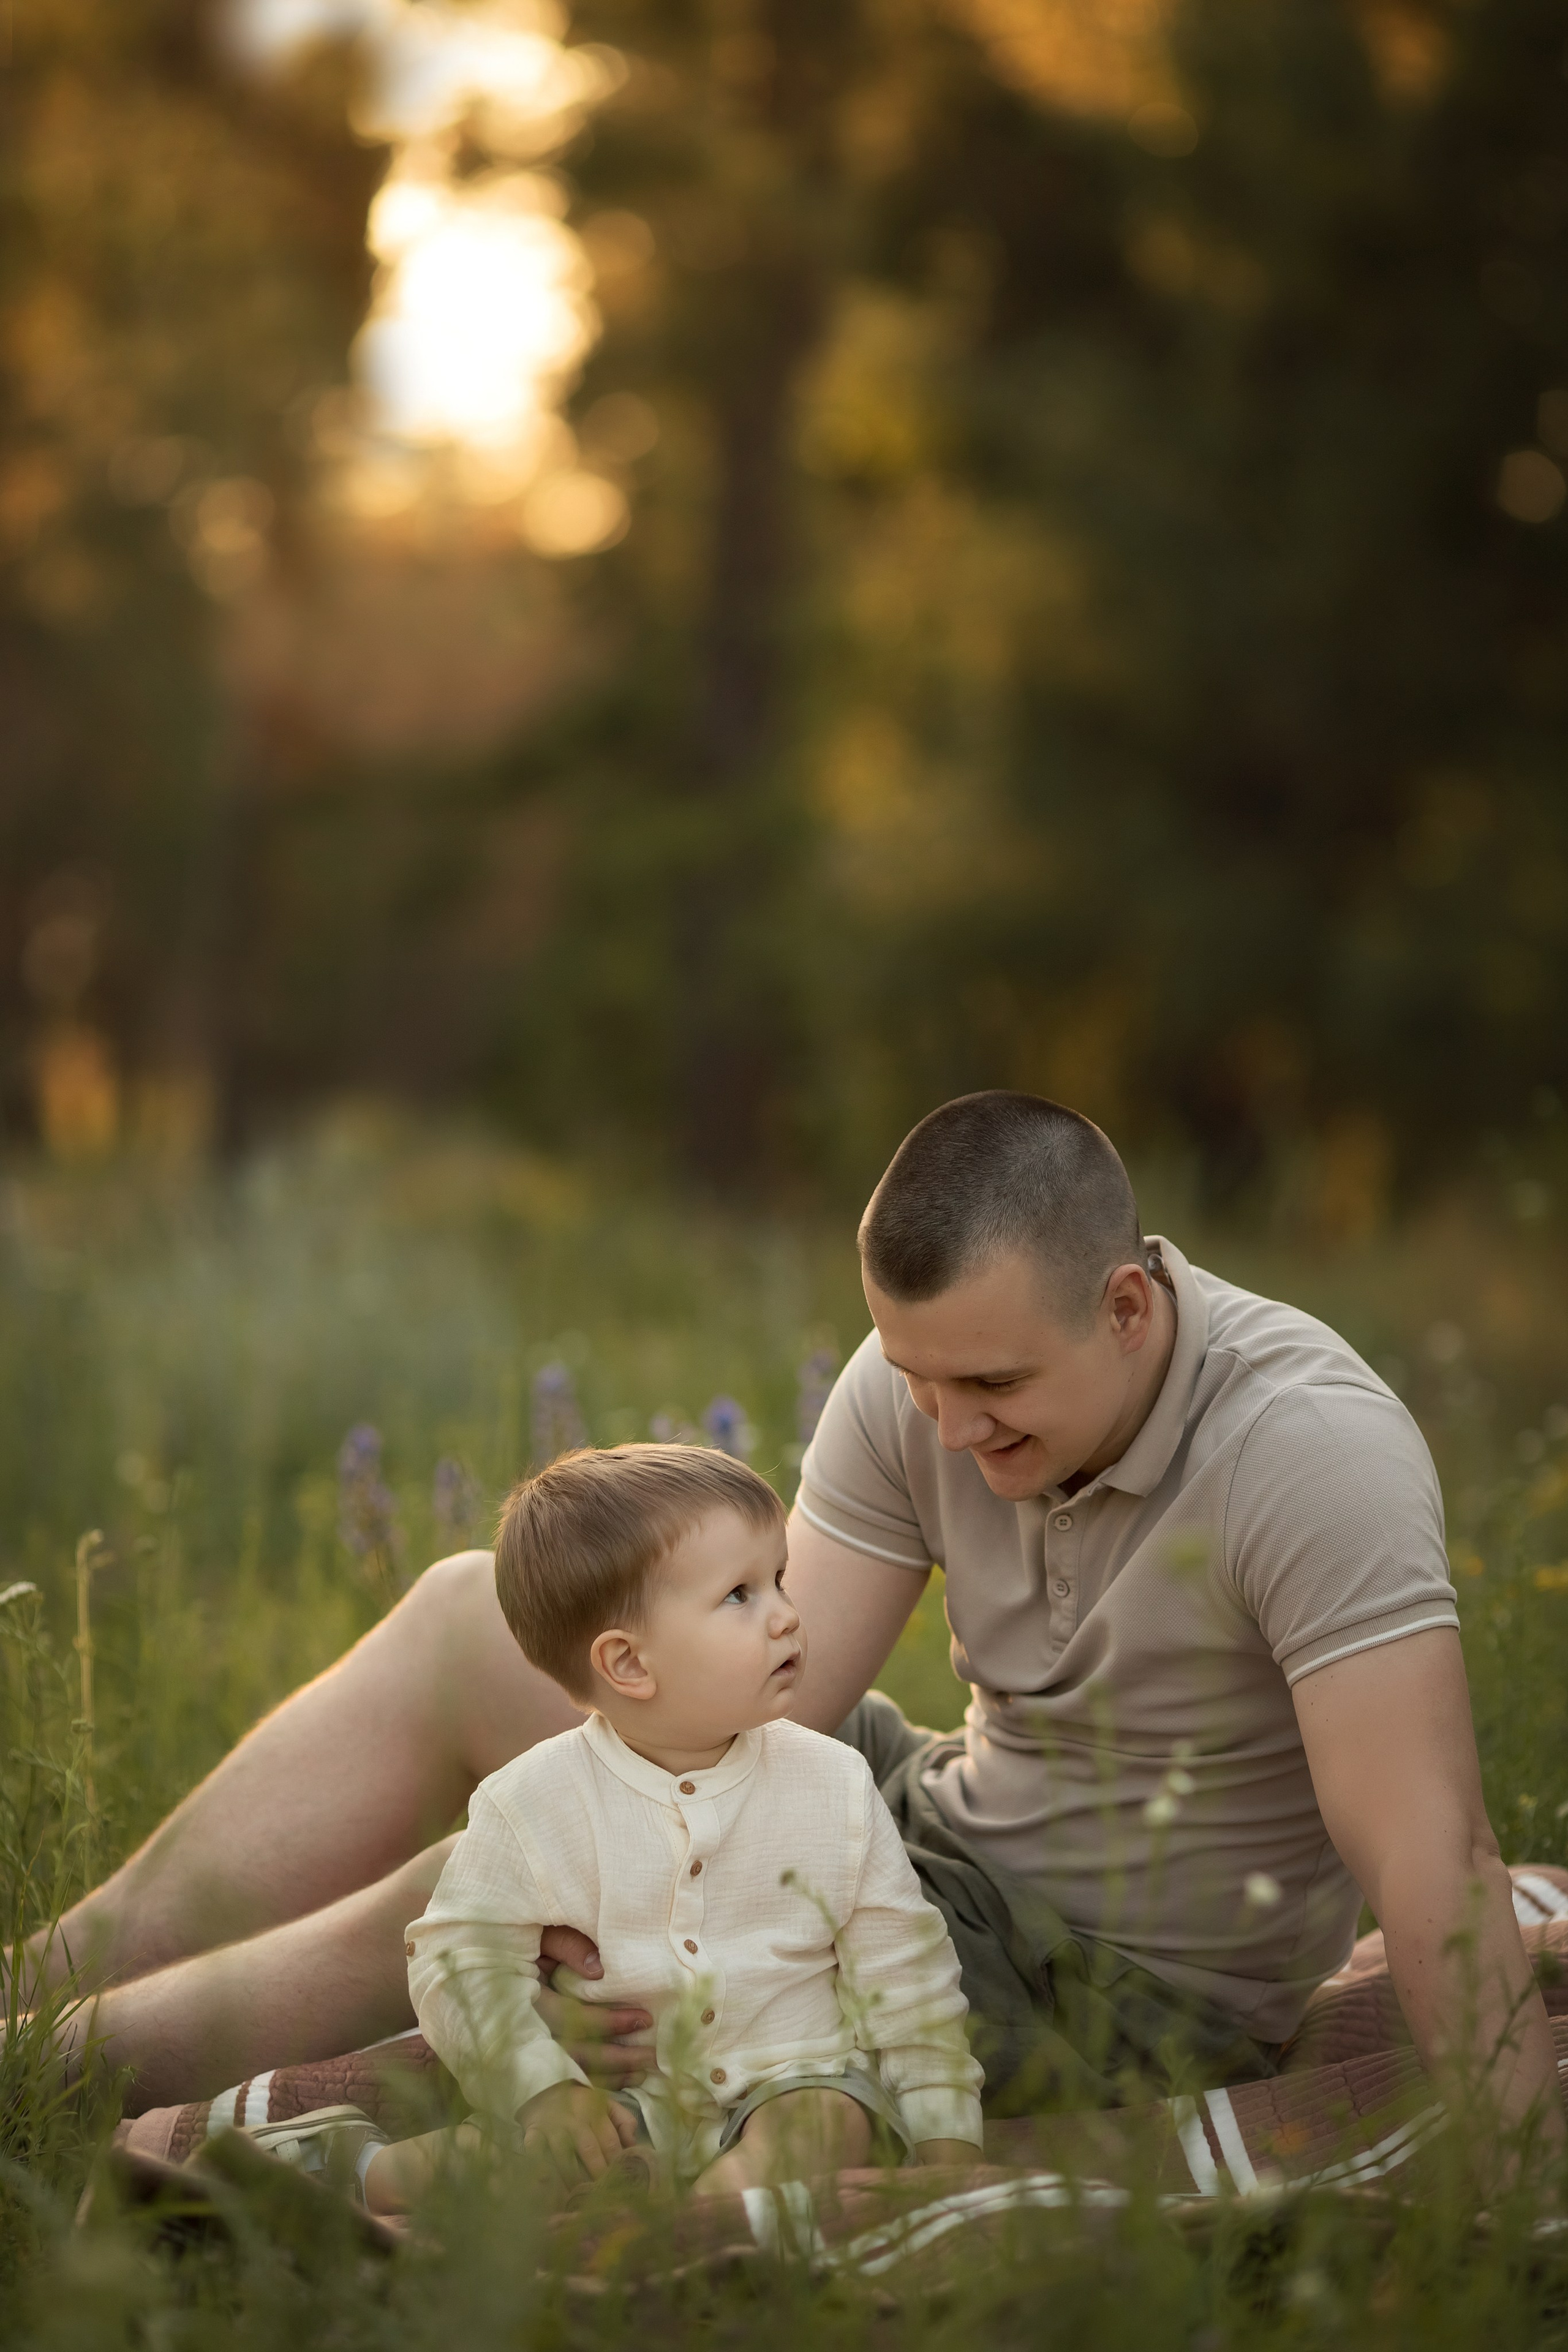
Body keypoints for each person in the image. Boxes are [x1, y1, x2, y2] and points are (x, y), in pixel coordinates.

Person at [28, 1093, 1562, 2150]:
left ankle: (46, 2073)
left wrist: (1516, 2176)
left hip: (1100, 1989)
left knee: (492, 1868)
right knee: (461, 1626)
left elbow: (1423, 1854)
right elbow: (769, 1708)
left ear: (1125, 1305)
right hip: (932, 1822)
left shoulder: (1309, 1453)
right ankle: (42, 1970)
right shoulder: (923, 1387)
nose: (947, 1427)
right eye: (915, 1376)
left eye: (993, 1388)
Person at [267, 1442, 982, 2213]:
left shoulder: (834, 1784)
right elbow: (457, 1961)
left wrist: (945, 2139)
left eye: (778, 1579)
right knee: (522, 2162)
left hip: (793, 2076)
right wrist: (541, 2093)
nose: (786, 1615)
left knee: (824, 2127)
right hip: (625, 2098)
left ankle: (704, 2223)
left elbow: (905, 1973)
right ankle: (346, 2169)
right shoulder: (534, 1801)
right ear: (628, 1664)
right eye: (740, 1595)